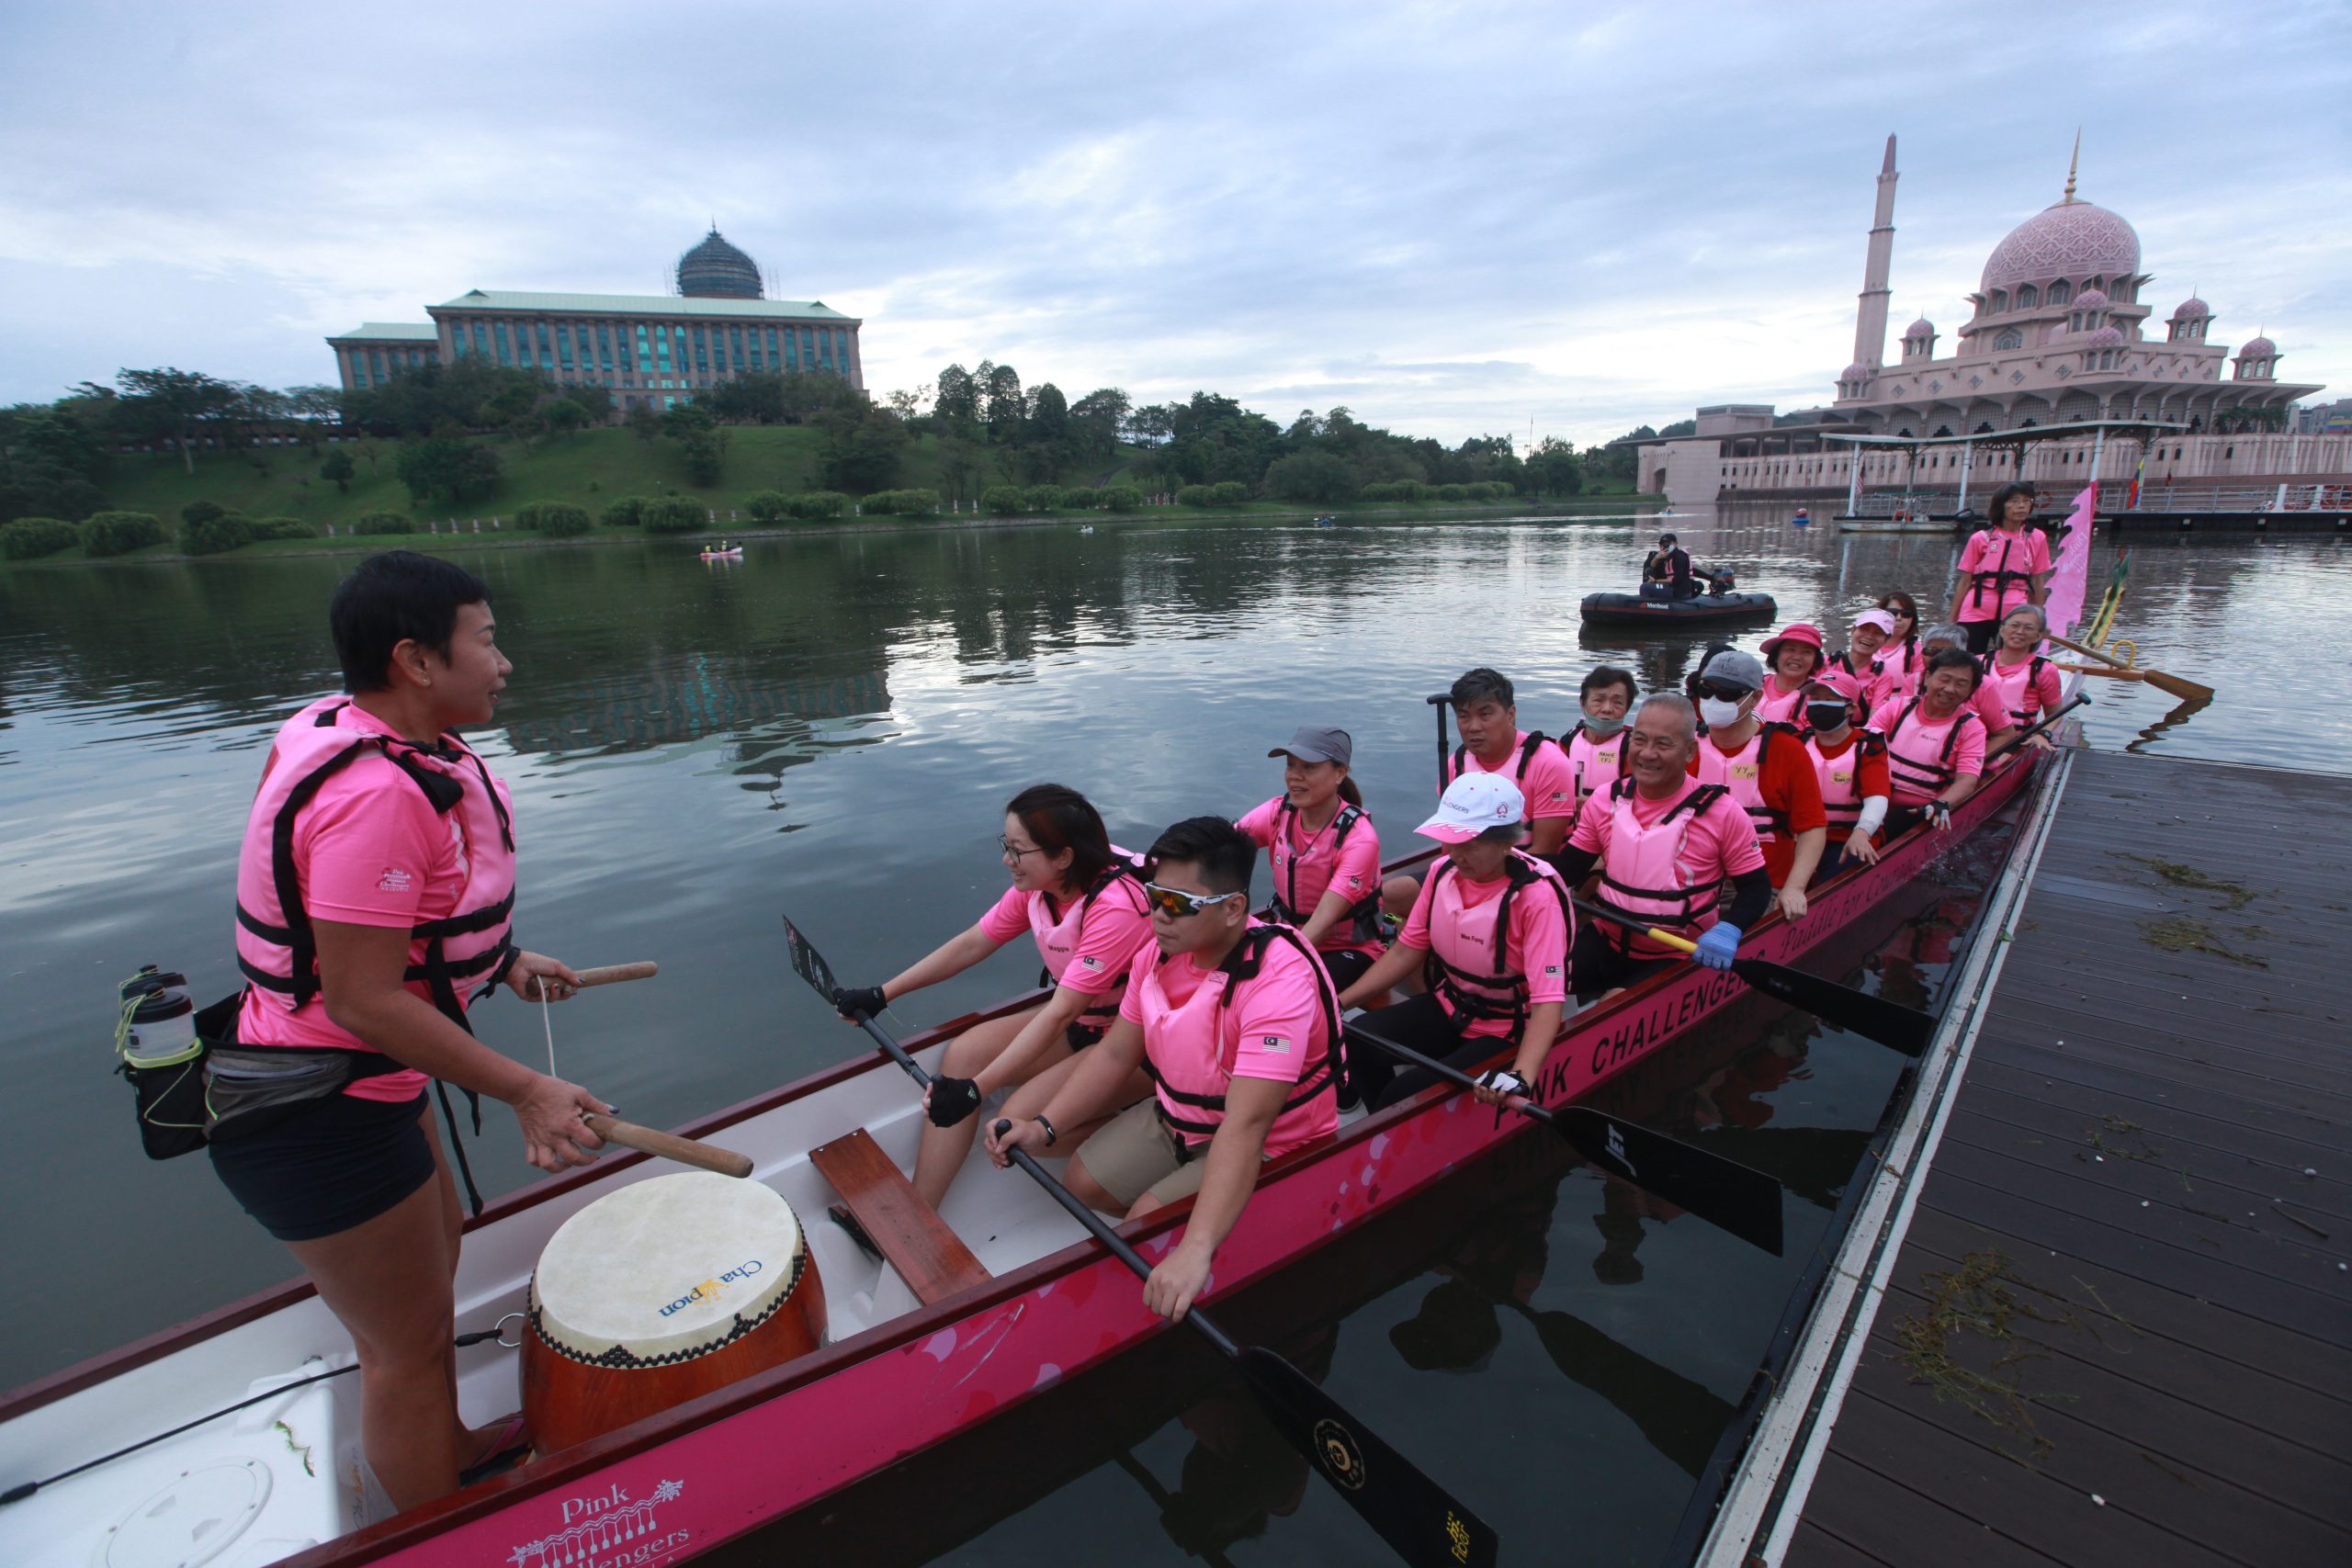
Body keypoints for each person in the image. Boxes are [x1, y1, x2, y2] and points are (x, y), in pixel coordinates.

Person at [214, 550, 607, 1509]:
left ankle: (455, 1450)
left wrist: (500, 959)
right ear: (416, 661)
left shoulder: (349, 728)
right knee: (401, 1346)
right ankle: (441, 1533)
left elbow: (373, 932)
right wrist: (525, 1087)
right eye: (485, 638)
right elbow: (358, 999)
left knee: (430, 1305)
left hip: (370, 1089)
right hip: (318, 1113)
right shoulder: (376, 795)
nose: (502, 659)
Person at [986, 818, 1340, 1322]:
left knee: (1145, 1223)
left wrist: (1195, 1249)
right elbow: (1114, 1055)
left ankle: (1194, 1253)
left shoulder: (1276, 982)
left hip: (1267, 1140)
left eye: (1177, 904)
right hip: (1183, 1116)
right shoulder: (1158, 953)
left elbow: (1249, 1124)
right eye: (1154, 897)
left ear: (1234, 908)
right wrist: (1042, 1127)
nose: (1157, 916)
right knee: (1082, 1182)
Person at [831, 784, 1154, 1212]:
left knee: (1012, 1124)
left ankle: (1125, 1119)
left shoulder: (1114, 907)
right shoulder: (1045, 883)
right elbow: (972, 944)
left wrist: (975, 1091)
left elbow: (1060, 1013)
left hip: (1139, 1046)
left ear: (1063, 856)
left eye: (1017, 850)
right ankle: (921, 1209)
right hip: (1087, 1025)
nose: (1006, 859)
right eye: (1007, 844)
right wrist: (883, 993)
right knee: (964, 1053)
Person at [1339, 773, 1573, 1111]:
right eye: (1448, 839)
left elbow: (1548, 1002)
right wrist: (1339, 1003)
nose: (1453, 852)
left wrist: (1522, 1074)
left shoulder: (1537, 898)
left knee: (1403, 1096)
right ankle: (1389, 1134)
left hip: (1506, 1030)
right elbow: (1406, 950)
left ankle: (1397, 1129)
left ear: (1507, 841)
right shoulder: (1441, 871)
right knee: (1355, 1038)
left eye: (1468, 844)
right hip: (1451, 1006)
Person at [1550, 694, 1771, 1000]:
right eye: (1639, 740)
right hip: (1606, 939)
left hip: (1677, 955)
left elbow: (1756, 888)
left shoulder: (1723, 812)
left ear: (1690, 751)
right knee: (1534, 983)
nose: (1647, 754)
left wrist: (1730, 929)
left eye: (1663, 745)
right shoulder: (1605, 799)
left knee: (1612, 1003)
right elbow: (1570, 868)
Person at [1237, 726, 1385, 992]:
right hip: (1287, 935)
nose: (1295, 777)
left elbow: (1323, 919)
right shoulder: (1277, 813)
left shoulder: (1359, 839)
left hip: (1346, 949)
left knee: (1282, 989)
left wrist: (1277, 962)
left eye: (1308, 768)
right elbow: (1223, 846)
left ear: (1340, 773)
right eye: (1291, 766)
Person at [1689, 649, 1827, 918]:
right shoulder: (1687, 744)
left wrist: (1794, 888)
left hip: (1762, 885)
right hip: (1691, 879)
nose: (1714, 699)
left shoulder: (1787, 750)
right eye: (1706, 690)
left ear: (1755, 698)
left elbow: (1812, 828)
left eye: (1727, 693)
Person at [1872, 648, 1989, 835]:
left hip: (1919, 810)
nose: (1950, 689)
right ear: (1928, 677)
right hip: (1874, 797)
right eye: (1944, 679)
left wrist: (1942, 803)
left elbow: (1967, 781)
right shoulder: (1896, 708)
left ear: (1971, 691)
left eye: (1961, 684)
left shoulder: (1972, 728)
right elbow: (1861, 749)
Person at [1801, 670, 1892, 875]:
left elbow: (1877, 798)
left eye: (1830, 699)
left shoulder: (1868, 747)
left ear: (1851, 708)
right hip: (1800, 835)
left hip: (1845, 837)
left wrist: (1862, 832)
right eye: (1816, 699)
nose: (1821, 705)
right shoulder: (1797, 742)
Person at [1948, 483, 2052, 654]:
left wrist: (2039, 618)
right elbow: (1965, 582)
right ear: (2001, 505)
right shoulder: (1981, 538)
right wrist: (1952, 620)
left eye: (2027, 501)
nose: (2021, 506)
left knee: (2008, 660)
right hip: (1976, 609)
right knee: (1967, 658)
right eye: (2014, 501)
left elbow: (2037, 580)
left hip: (2014, 611)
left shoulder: (2036, 538)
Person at [1917, 621, 2019, 745]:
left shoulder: (1984, 685)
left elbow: (2005, 734)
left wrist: (1978, 760)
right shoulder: (1914, 680)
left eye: (1946, 652)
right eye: (1930, 651)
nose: (1937, 658)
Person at [1979, 603, 2064, 745]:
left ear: (2038, 636)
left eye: (2028, 628)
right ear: (2002, 630)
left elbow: (2055, 714)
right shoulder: (1978, 662)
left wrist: (2044, 734)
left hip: (2016, 741)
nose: (2020, 631)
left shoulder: (2045, 671)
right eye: (2014, 625)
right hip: (1974, 736)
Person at [1560, 666, 1638, 810]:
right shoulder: (1567, 742)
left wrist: (1593, 804)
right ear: (1583, 704)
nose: (1607, 708)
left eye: (1617, 702)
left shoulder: (1633, 748)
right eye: (1598, 700)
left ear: (1627, 708)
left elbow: (1639, 800)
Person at [1754, 624, 1827, 726]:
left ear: (1815, 661)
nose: (1797, 657)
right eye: (1790, 649)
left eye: (1806, 652)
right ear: (1776, 655)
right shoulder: (1754, 684)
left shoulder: (1819, 695)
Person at [1863, 592, 1926, 708]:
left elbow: (1918, 688)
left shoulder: (1918, 650)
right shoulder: (1864, 643)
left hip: (1898, 707)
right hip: (1863, 703)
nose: (1899, 618)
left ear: (1913, 619)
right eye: (1893, 613)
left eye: (1906, 614)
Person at [1640, 532, 1695, 601]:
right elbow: (1651, 566)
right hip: (1673, 588)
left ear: (1675, 544)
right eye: (1663, 544)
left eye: (1668, 544)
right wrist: (1656, 558)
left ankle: (1646, 606)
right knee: (1646, 586)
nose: (1666, 546)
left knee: (1644, 587)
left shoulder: (1679, 557)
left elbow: (1676, 580)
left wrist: (1656, 581)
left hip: (1679, 592)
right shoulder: (1666, 556)